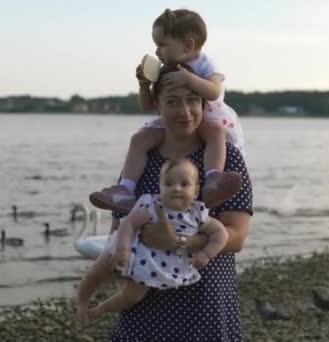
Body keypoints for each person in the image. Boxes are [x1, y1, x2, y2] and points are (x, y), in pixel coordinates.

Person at [104, 63, 253, 341]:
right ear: (157, 106)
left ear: (204, 103)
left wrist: (177, 242)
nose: (185, 111)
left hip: (204, 300)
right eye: (172, 102)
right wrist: (117, 260)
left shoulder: (225, 159)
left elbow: (238, 236)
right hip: (145, 299)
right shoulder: (141, 158)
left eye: (193, 100)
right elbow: (118, 225)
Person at [90, 8, 246, 214]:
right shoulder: (167, 69)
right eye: (156, 45)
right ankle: (125, 190)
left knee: (215, 132)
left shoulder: (205, 64)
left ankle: (213, 178)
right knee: (139, 139)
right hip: (176, 124)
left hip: (209, 115)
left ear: (188, 45)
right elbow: (148, 106)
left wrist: (189, 80)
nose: (157, 52)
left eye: (162, 45)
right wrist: (144, 85)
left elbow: (215, 92)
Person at [77, 158, 229, 322]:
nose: (176, 189)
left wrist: (207, 254)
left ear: (196, 191)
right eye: (168, 184)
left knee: (134, 295)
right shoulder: (154, 206)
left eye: (184, 184)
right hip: (133, 247)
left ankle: (102, 308)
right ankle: (82, 302)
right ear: (160, 187)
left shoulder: (198, 214)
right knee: (99, 270)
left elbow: (221, 234)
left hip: (160, 261)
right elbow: (129, 224)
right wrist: (123, 249)